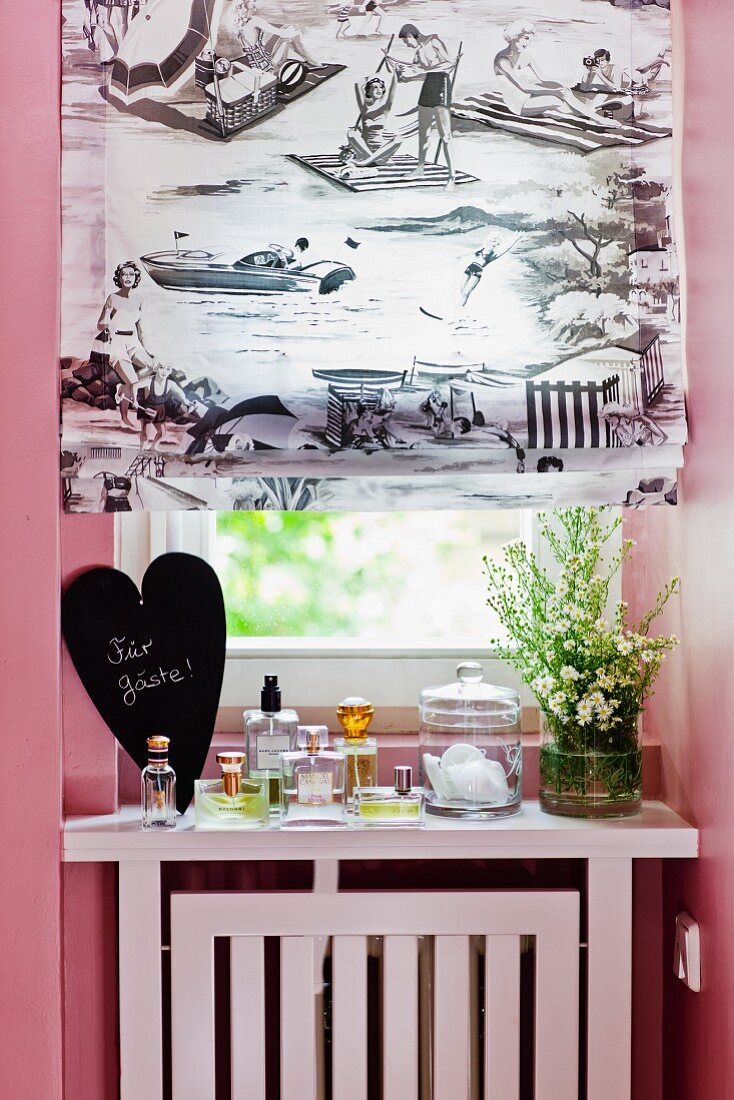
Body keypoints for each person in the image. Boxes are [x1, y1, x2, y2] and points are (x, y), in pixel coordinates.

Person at [494, 23, 616, 126]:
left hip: (529, 95)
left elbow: (544, 79)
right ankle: (595, 117)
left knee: (562, 90)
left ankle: (591, 112)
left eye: (530, 40)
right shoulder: (502, 60)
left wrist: (559, 87)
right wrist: (554, 91)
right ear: (515, 36)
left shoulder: (526, 56)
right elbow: (523, 87)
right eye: (526, 38)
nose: (528, 43)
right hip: (517, 102)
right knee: (555, 100)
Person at [385, 24, 457, 190]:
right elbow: (420, 74)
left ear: (410, 35)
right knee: (423, 131)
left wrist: (418, 72)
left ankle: (451, 177)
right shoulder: (417, 52)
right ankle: (420, 168)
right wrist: (404, 75)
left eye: (405, 41)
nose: (407, 45)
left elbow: (449, 65)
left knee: (445, 135)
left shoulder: (434, 41)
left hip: (441, 85)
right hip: (428, 86)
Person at [97, 261, 155, 429]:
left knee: (151, 368)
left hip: (133, 343)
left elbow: (140, 328)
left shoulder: (139, 299)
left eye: (131, 274)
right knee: (133, 380)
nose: (128, 277)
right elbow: (100, 324)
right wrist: (109, 323)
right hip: (116, 345)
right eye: (124, 274)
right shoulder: (112, 298)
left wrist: (146, 349)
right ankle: (124, 417)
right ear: (119, 277)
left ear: (136, 277)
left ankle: (123, 389)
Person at [232, 0, 323, 74]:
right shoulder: (255, 21)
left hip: (256, 64)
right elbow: (282, 34)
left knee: (288, 28)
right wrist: (298, 30)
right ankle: (312, 62)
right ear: (244, 3)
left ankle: (311, 61)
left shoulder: (239, 22)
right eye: (253, 1)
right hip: (267, 68)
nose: (256, 3)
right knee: (290, 37)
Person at [342, 72, 402, 168]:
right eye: (374, 87)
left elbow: (392, 93)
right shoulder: (364, 108)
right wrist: (369, 76)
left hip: (381, 151)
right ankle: (373, 159)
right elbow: (357, 85)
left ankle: (368, 161)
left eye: (380, 87)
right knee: (351, 133)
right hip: (365, 150)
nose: (378, 89)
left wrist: (395, 77)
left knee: (399, 138)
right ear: (368, 92)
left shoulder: (385, 108)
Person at [460, 233, 523, 308]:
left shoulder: (494, 254)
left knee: (466, 293)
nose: (495, 243)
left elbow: (506, 248)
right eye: (494, 241)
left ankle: (460, 307)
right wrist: (458, 256)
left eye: (498, 243)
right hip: (469, 267)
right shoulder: (482, 248)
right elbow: (471, 252)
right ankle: (461, 305)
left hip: (477, 271)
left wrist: (515, 238)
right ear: (490, 240)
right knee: (462, 289)